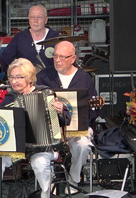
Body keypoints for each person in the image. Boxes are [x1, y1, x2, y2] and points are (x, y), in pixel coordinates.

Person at [0, 58, 71, 198]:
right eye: (11, 77)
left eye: (19, 77)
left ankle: (45, 195)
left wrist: (61, 110)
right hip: (18, 149)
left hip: (45, 147)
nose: (14, 81)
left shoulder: (45, 93)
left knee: (40, 163)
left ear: (30, 78)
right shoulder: (9, 98)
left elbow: (64, 120)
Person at [36, 40, 98, 194]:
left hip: (77, 128)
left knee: (83, 145)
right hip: (49, 128)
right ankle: (47, 182)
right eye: (56, 56)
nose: (58, 60)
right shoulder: (44, 76)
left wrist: (80, 122)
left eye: (63, 57)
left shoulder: (84, 78)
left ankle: (74, 179)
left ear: (73, 58)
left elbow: (94, 110)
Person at [0, 4, 59, 74]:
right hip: (26, 82)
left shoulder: (56, 38)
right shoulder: (20, 38)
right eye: (32, 17)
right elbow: (5, 59)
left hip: (50, 82)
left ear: (46, 20)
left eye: (39, 17)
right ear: (28, 19)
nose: (35, 21)